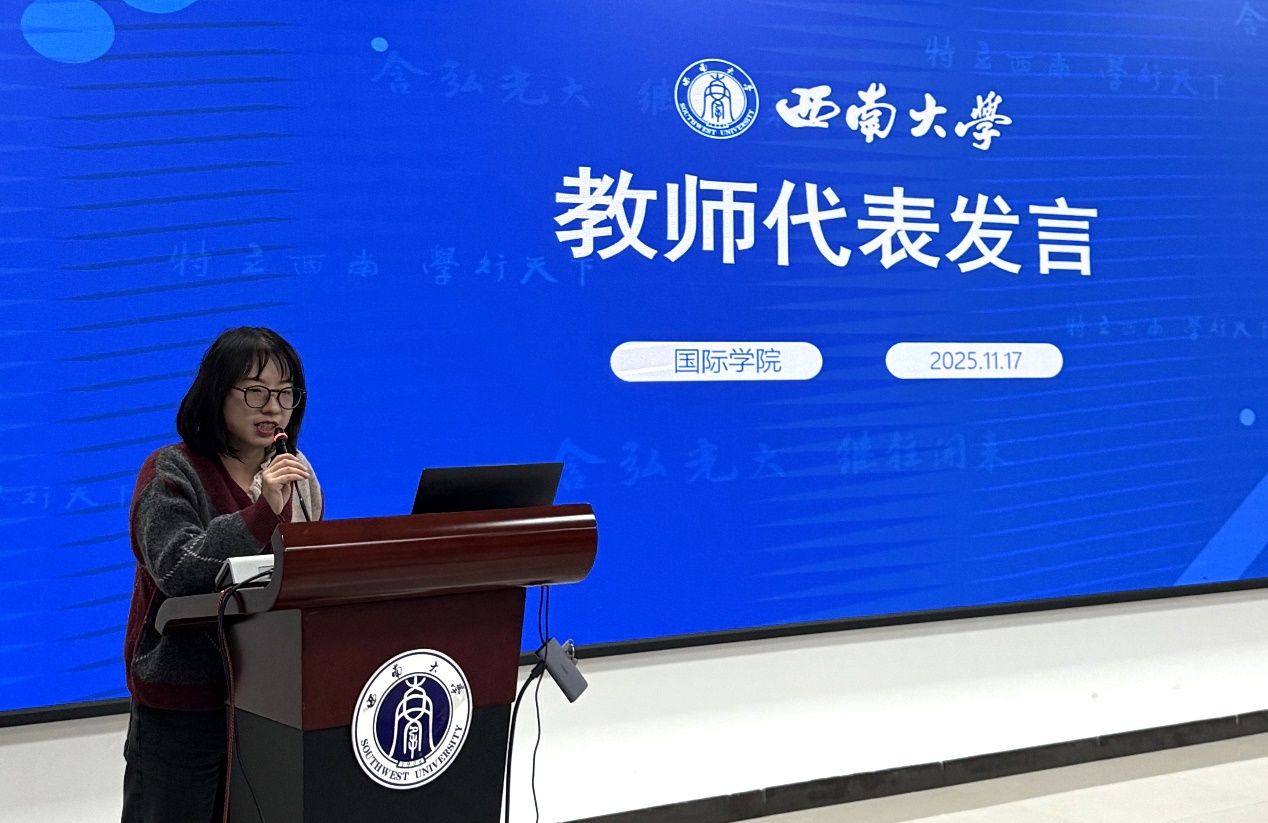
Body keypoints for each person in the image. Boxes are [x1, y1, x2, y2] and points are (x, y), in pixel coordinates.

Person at [121, 327, 323, 823]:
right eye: (255, 391)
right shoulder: (172, 471)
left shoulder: (299, 476)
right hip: (184, 705)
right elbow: (177, 568)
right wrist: (262, 511)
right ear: (217, 392)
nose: (273, 408)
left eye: (286, 394)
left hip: (268, 703)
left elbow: (305, 575)